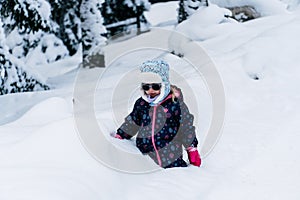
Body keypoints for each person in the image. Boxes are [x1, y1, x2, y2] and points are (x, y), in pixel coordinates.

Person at [113, 60, 201, 168]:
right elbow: (133, 121)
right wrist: (121, 134)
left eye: (155, 86)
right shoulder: (141, 104)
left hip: (172, 159)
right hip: (146, 161)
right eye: (146, 87)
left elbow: (186, 127)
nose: (150, 90)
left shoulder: (175, 104)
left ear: (164, 84)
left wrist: (191, 148)